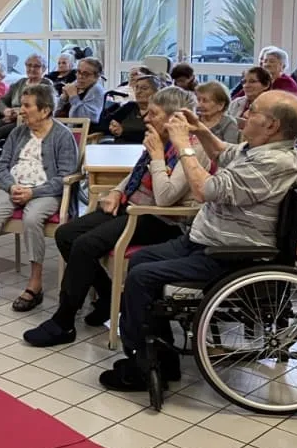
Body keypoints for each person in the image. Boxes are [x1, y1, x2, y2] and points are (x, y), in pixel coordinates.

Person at [99, 90, 297, 392]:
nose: (244, 115)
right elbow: (223, 151)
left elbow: (204, 189)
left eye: (253, 111)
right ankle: (159, 356)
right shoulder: (258, 150)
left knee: (142, 277)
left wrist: (184, 145)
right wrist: (200, 129)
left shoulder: (274, 162)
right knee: (140, 261)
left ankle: (142, 365)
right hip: (205, 239)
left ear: (272, 125)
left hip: (230, 254)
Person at [21, 87, 212, 346]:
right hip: (131, 206)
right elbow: (135, 173)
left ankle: (63, 322)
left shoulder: (191, 148)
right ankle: (110, 297)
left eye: (153, 113)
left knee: (86, 245)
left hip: (160, 219)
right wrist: (115, 191)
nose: (145, 118)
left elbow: (166, 197)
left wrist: (156, 156)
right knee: (67, 234)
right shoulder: (159, 137)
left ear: (172, 118)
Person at [0, 83, 78, 310]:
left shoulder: (62, 136)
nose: (21, 110)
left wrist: (33, 192)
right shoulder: (18, 132)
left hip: (45, 191)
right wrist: (11, 187)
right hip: (13, 188)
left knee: (32, 220)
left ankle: (35, 284)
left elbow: (65, 177)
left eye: (27, 106)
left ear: (45, 110)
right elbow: (1, 167)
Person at [0, 54, 53, 173]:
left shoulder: (46, 85)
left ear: (44, 69)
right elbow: (1, 102)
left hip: (27, 122)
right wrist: (6, 110)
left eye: (36, 66)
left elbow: (43, 108)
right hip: (9, 117)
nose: (32, 69)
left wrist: (19, 112)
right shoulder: (19, 83)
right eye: (29, 65)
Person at [103, 74, 161, 143]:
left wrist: (124, 131)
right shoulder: (130, 106)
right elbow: (105, 123)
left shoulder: (160, 110)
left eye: (144, 88)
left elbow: (153, 134)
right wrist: (112, 127)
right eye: (136, 88)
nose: (138, 91)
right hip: (119, 147)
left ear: (156, 92)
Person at [57, 57, 105, 123]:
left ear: (96, 77)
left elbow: (88, 118)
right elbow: (54, 113)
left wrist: (73, 96)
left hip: (82, 131)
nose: (80, 76)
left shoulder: (96, 90)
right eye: (79, 72)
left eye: (86, 74)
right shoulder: (75, 84)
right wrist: (63, 98)